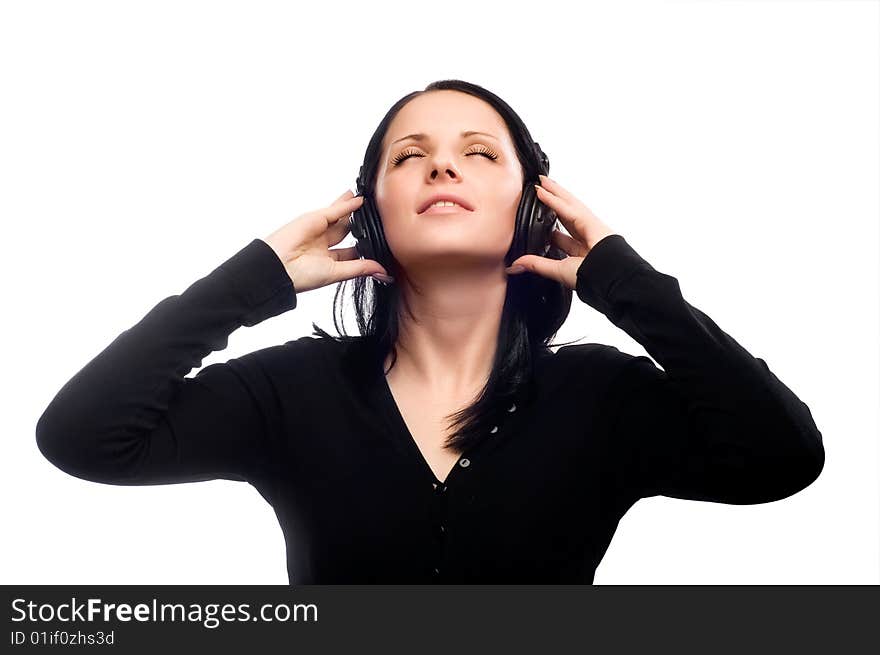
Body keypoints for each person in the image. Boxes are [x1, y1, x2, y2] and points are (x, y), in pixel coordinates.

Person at [35, 80, 825, 584]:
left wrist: (622, 278)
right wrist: (255, 278)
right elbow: (83, 435)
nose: (442, 168)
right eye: (409, 157)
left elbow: (784, 455)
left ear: (532, 206)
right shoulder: (290, 392)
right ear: (370, 210)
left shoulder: (602, 397)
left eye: (479, 153)